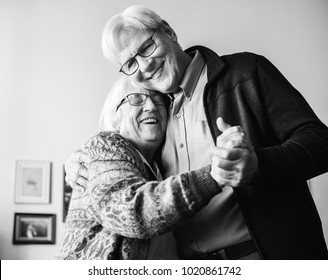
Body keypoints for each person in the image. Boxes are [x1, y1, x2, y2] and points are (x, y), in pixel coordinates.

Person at [66, 5, 328, 259]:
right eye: (130, 64)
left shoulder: (246, 72)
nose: (144, 66)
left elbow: (320, 142)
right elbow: (122, 168)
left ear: (169, 33)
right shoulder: (155, 113)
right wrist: (81, 159)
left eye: (146, 48)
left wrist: (257, 164)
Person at [57, 77, 249, 260]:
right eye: (136, 99)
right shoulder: (105, 146)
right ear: (115, 117)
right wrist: (214, 175)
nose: (150, 106)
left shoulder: (160, 166)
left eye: (158, 100)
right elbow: (130, 212)